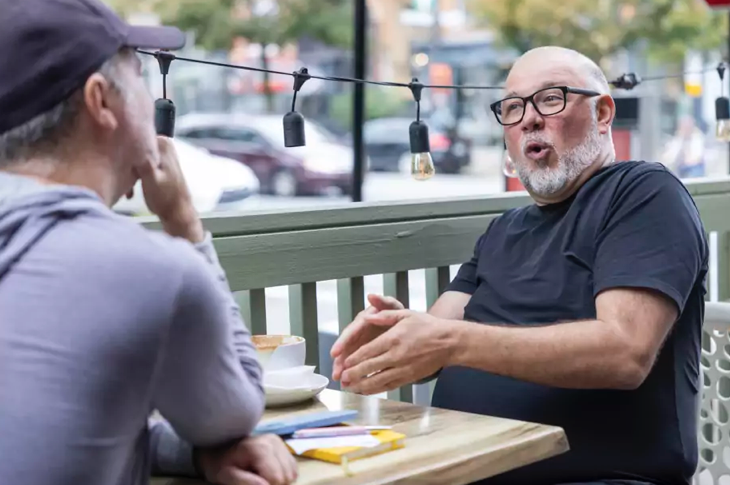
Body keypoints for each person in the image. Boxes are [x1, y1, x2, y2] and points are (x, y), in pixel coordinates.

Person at [331, 46, 708, 485]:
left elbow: (625, 352)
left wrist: (450, 342)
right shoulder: (503, 230)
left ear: (603, 113)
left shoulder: (643, 195)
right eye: (512, 107)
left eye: (551, 99)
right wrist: (398, 333)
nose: (528, 118)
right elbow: (440, 335)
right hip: (455, 468)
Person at [0, 1, 296, 485]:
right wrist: (183, 222)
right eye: (138, 73)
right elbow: (236, 411)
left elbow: (64, 433)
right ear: (101, 102)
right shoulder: (149, 270)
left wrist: (192, 456)